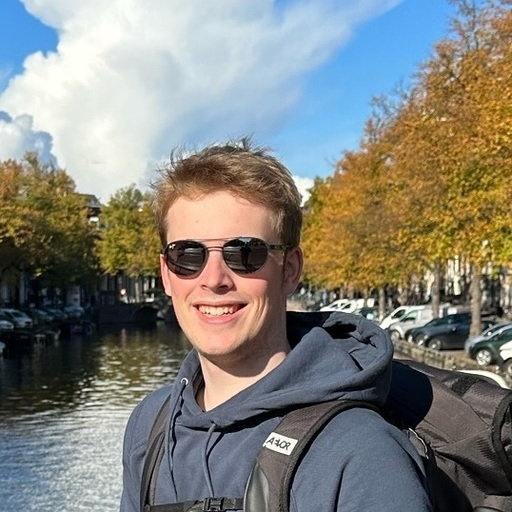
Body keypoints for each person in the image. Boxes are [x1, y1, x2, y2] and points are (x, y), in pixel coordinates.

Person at [120, 138, 432, 512]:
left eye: (244, 253)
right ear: (166, 274)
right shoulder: (150, 424)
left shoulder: (361, 454)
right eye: (187, 255)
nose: (214, 279)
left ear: (290, 269)